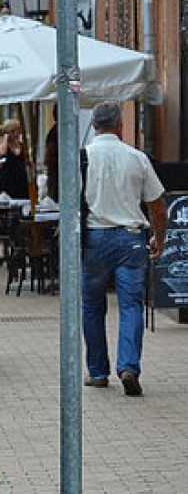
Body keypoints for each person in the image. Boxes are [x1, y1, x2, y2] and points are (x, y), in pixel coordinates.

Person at [81, 101, 167, 397]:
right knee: (131, 305)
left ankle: (98, 372)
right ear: (120, 125)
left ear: (93, 126)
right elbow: (157, 205)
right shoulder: (137, 157)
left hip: (93, 238)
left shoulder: (83, 158)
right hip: (131, 239)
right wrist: (160, 237)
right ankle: (128, 366)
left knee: (92, 307)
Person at [0, 119, 31, 200]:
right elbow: (1, 152)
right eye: (18, 130)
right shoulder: (0, 143)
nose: (19, 133)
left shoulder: (20, 144)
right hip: (7, 177)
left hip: (20, 177)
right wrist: (5, 138)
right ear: (11, 131)